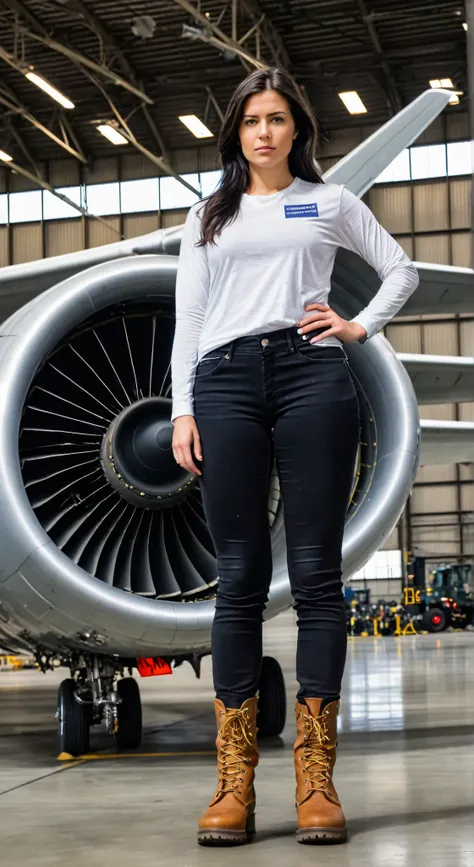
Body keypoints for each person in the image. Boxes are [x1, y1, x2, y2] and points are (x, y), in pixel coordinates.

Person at [170, 67, 419, 847]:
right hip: (225, 380)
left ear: (297, 131)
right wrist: (183, 406)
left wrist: (358, 326)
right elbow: (190, 315)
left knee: (316, 574)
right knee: (239, 577)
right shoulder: (209, 214)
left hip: (313, 374)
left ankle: (316, 780)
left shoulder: (331, 202)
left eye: (277, 119)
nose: (265, 132)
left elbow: (402, 269)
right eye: (252, 120)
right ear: (236, 133)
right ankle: (234, 785)